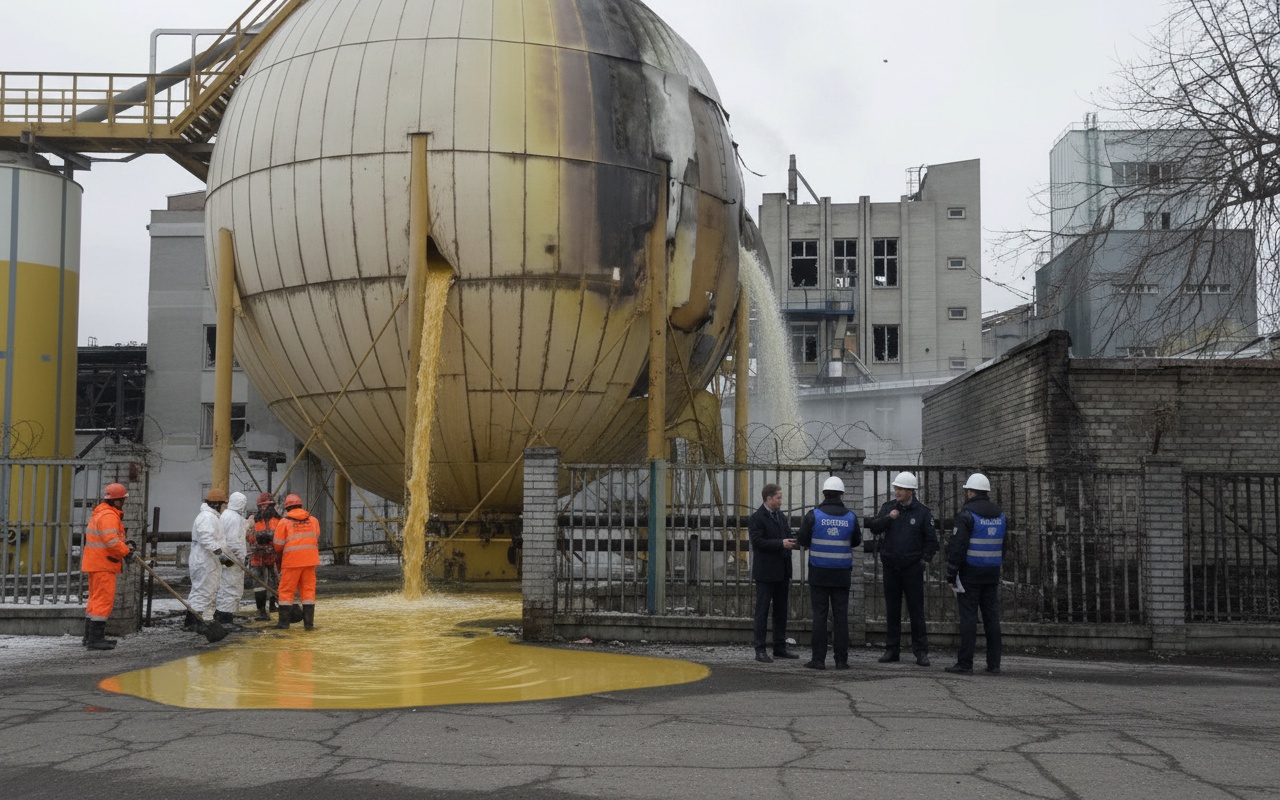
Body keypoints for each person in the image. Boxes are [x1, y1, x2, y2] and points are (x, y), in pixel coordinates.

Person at [866, 471, 937, 666]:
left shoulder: (922, 512)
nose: (896, 492)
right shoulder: (889, 508)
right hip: (891, 567)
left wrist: (924, 561)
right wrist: (889, 518)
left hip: (913, 568)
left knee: (916, 611)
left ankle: (921, 651)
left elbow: (931, 540)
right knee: (892, 610)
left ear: (910, 491)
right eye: (896, 488)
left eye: (900, 489)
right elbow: (875, 527)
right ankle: (892, 649)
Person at [796, 476, 861, 670]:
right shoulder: (850, 517)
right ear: (841, 494)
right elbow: (856, 541)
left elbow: (802, 539)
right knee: (841, 618)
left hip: (819, 573)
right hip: (841, 574)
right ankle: (841, 660)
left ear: (824, 493)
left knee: (820, 616)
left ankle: (818, 660)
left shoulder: (813, 515)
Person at [945, 473, 1006, 675]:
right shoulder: (1000, 515)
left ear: (970, 492)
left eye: (967, 491)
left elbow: (958, 547)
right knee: (991, 617)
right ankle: (994, 663)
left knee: (969, 618)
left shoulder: (967, 515)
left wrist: (951, 573)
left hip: (970, 573)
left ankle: (965, 663)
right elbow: (1005, 546)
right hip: (991, 572)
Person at [748, 483, 799, 662]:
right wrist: (781, 544)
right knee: (762, 611)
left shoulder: (780, 516)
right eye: (778, 497)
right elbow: (758, 542)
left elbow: (785, 535)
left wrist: (794, 542)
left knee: (780, 611)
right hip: (766, 573)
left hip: (782, 572)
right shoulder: (757, 518)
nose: (781, 500)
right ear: (768, 498)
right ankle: (760, 648)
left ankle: (779, 647)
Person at [81, 483, 133, 651]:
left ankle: (89, 637)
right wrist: (127, 552)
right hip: (104, 564)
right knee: (103, 600)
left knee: (95, 600)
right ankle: (95, 639)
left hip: (96, 563)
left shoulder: (100, 513)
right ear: (117, 501)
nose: (123, 503)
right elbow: (111, 541)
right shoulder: (109, 515)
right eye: (123, 500)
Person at [186, 488, 232, 633]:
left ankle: (194, 621)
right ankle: (199, 622)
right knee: (204, 591)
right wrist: (221, 555)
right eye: (224, 504)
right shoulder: (207, 517)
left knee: (204, 591)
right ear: (217, 504)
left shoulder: (211, 516)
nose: (225, 507)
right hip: (205, 560)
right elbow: (207, 539)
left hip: (207, 560)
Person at [273, 493, 320, 630]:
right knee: (308, 592)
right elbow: (316, 536)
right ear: (301, 505)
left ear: (287, 508)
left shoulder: (284, 522)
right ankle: (309, 625)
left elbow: (278, 544)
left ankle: (283, 624)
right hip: (310, 561)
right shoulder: (313, 520)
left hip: (291, 562)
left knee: (286, 591)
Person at [213, 491, 250, 630]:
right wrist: (242, 558)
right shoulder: (235, 518)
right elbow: (234, 542)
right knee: (231, 586)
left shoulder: (226, 515)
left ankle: (220, 614)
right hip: (232, 559)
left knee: (224, 584)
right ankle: (225, 618)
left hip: (224, 557)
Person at [248, 492, 281, 621]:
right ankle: (261, 610)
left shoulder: (278, 520)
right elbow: (249, 536)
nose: (264, 508)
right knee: (259, 584)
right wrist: (256, 539)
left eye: (267, 506)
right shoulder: (253, 520)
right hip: (258, 556)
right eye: (262, 506)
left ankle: (273, 605)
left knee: (275, 582)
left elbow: (282, 537)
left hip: (273, 556)